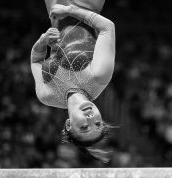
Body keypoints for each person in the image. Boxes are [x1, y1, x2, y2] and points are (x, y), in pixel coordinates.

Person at [30, 0, 115, 163]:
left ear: (69, 125)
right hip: (86, 4)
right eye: (97, 123)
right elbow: (107, 28)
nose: (90, 118)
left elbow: (36, 60)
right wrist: (70, 9)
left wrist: (42, 41)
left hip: (54, 8)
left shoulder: (46, 95)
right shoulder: (99, 77)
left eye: (84, 127)